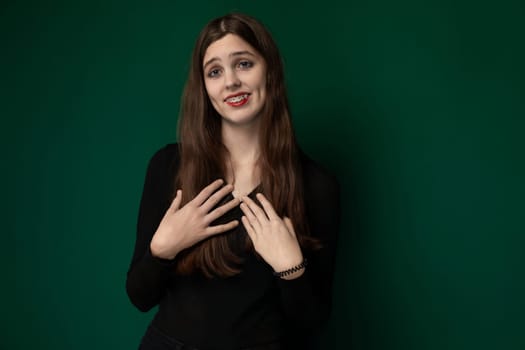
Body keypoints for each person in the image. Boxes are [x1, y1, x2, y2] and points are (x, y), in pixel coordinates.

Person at [126, 12, 340, 350]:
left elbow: (312, 322)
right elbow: (139, 296)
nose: (230, 82)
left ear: (269, 69)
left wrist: (291, 268)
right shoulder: (168, 166)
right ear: (204, 88)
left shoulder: (316, 185)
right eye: (215, 71)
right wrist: (162, 250)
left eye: (243, 64)